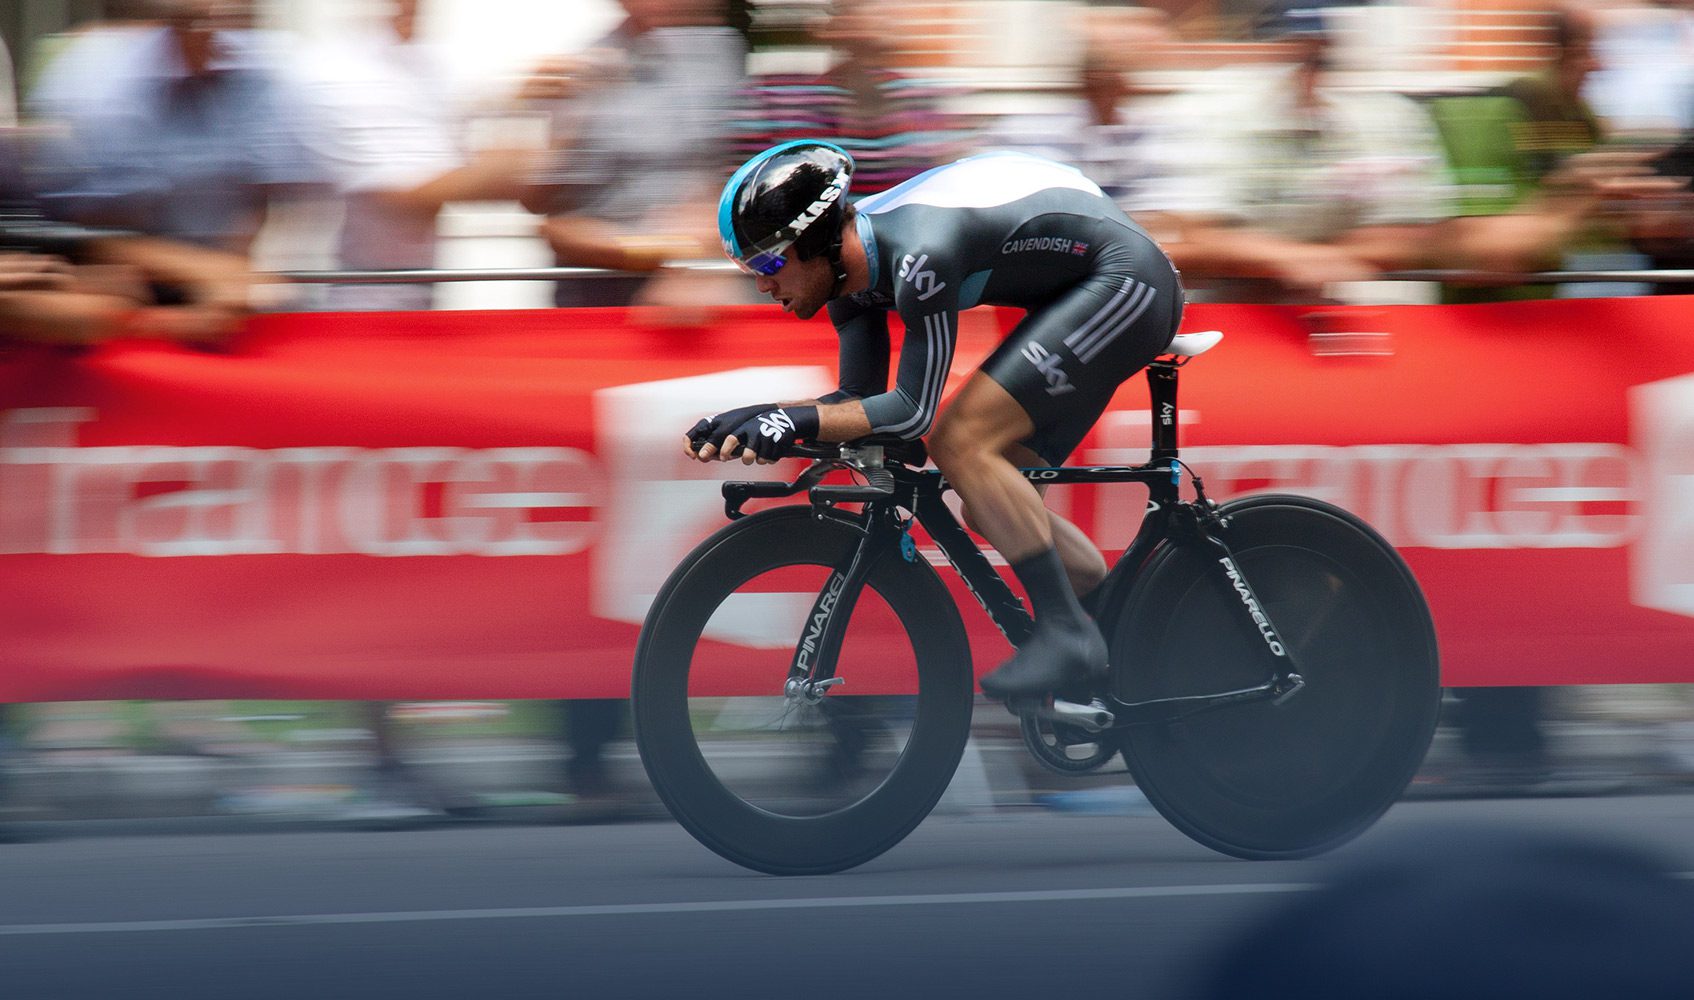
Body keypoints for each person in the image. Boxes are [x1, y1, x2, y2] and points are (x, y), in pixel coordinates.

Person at [690, 141, 1184, 700]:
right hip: (1078, 290)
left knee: (961, 442)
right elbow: (857, 402)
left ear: (819, 241)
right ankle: (1129, 644)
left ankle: (1067, 634)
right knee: (989, 501)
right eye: (750, 268)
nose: (762, 283)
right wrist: (758, 419)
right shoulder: (849, 284)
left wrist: (790, 421)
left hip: (1126, 281)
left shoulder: (919, 253)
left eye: (772, 262)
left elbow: (911, 412)